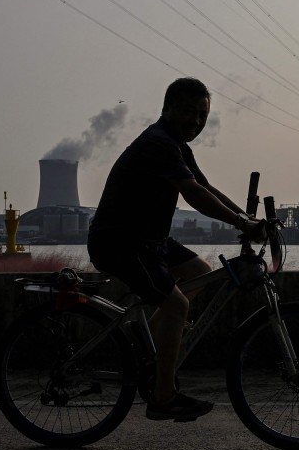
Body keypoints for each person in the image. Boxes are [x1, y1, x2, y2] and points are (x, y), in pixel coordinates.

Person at [87, 77, 262, 421]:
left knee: (199, 273)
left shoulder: (177, 145)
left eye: (202, 116)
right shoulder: (158, 142)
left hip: (149, 240)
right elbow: (193, 195)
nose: (195, 122)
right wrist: (243, 225)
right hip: (121, 241)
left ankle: (148, 352)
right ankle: (163, 398)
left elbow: (205, 186)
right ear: (167, 108)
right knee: (177, 304)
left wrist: (247, 217)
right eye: (188, 112)